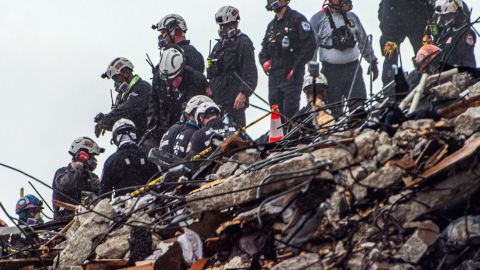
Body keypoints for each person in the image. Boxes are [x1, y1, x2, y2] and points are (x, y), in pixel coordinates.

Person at [310, 0, 379, 117]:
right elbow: (311, 47)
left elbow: (363, 40)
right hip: (330, 72)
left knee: (358, 107)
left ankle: (358, 128)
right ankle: (337, 133)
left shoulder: (352, 17)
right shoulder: (318, 19)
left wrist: (372, 60)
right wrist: (312, 69)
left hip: (353, 70)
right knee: (333, 110)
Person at [259, 0, 316, 121]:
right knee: (276, 112)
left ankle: (291, 137)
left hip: (291, 75)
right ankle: (279, 138)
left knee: (290, 110)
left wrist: (296, 67)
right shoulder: (271, 26)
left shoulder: (298, 19)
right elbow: (264, 51)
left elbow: (310, 45)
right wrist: (264, 61)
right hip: (275, 76)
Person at [147, 46, 210, 144]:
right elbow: (153, 101)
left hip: (189, 126)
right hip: (165, 124)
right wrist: (153, 123)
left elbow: (194, 106)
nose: (168, 83)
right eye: (165, 79)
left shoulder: (195, 79)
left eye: (172, 79)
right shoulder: (158, 79)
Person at [208, 6, 258, 128]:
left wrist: (243, 93)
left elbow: (250, 72)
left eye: (227, 26)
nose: (223, 29)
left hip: (234, 102)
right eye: (221, 26)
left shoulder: (243, 42)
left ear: (235, 23)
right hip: (217, 101)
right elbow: (210, 70)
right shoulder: (217, 47)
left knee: (236, 136)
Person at [95, 57, 153, 149]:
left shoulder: (142, 87)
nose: (115, 83)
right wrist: (105, 122)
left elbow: (130, 108)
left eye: (115, 78)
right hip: (132, 143)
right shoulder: (121, 96)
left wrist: (108, 118)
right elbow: (121, 120)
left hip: (148, 139)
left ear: (125, 72)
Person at [378, 0, 434, 87]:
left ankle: (389, 89)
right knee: (423, 53)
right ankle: (426, 79)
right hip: (411, 25)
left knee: (390, 59)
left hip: (395, 28)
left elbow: (381, 10)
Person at [100, 119, 158, 197]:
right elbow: (159, 184)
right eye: (122, 132)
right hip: (149, 204)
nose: (126, 134)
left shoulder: (111, 161)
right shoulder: (147, 157)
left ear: (115, 139)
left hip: (123, 206)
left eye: (129, 131)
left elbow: (104, 194)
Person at [52, 137, 104, 220]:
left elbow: (102, 200)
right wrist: (79, 165)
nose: (94, 160)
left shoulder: (91, 177)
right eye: (91, 156)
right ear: (82, 155)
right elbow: (65, 186)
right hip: (63, 223)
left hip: (88, 221)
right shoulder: (62, 172)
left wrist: (98, 188)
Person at [433, 0, 476, 68]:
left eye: (446, 16)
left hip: (449, 74)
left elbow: (468, 62)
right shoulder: (444, 32)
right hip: (436, 71)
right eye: (441, 16)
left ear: (456, 14)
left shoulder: (465, 34)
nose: (443, 20)